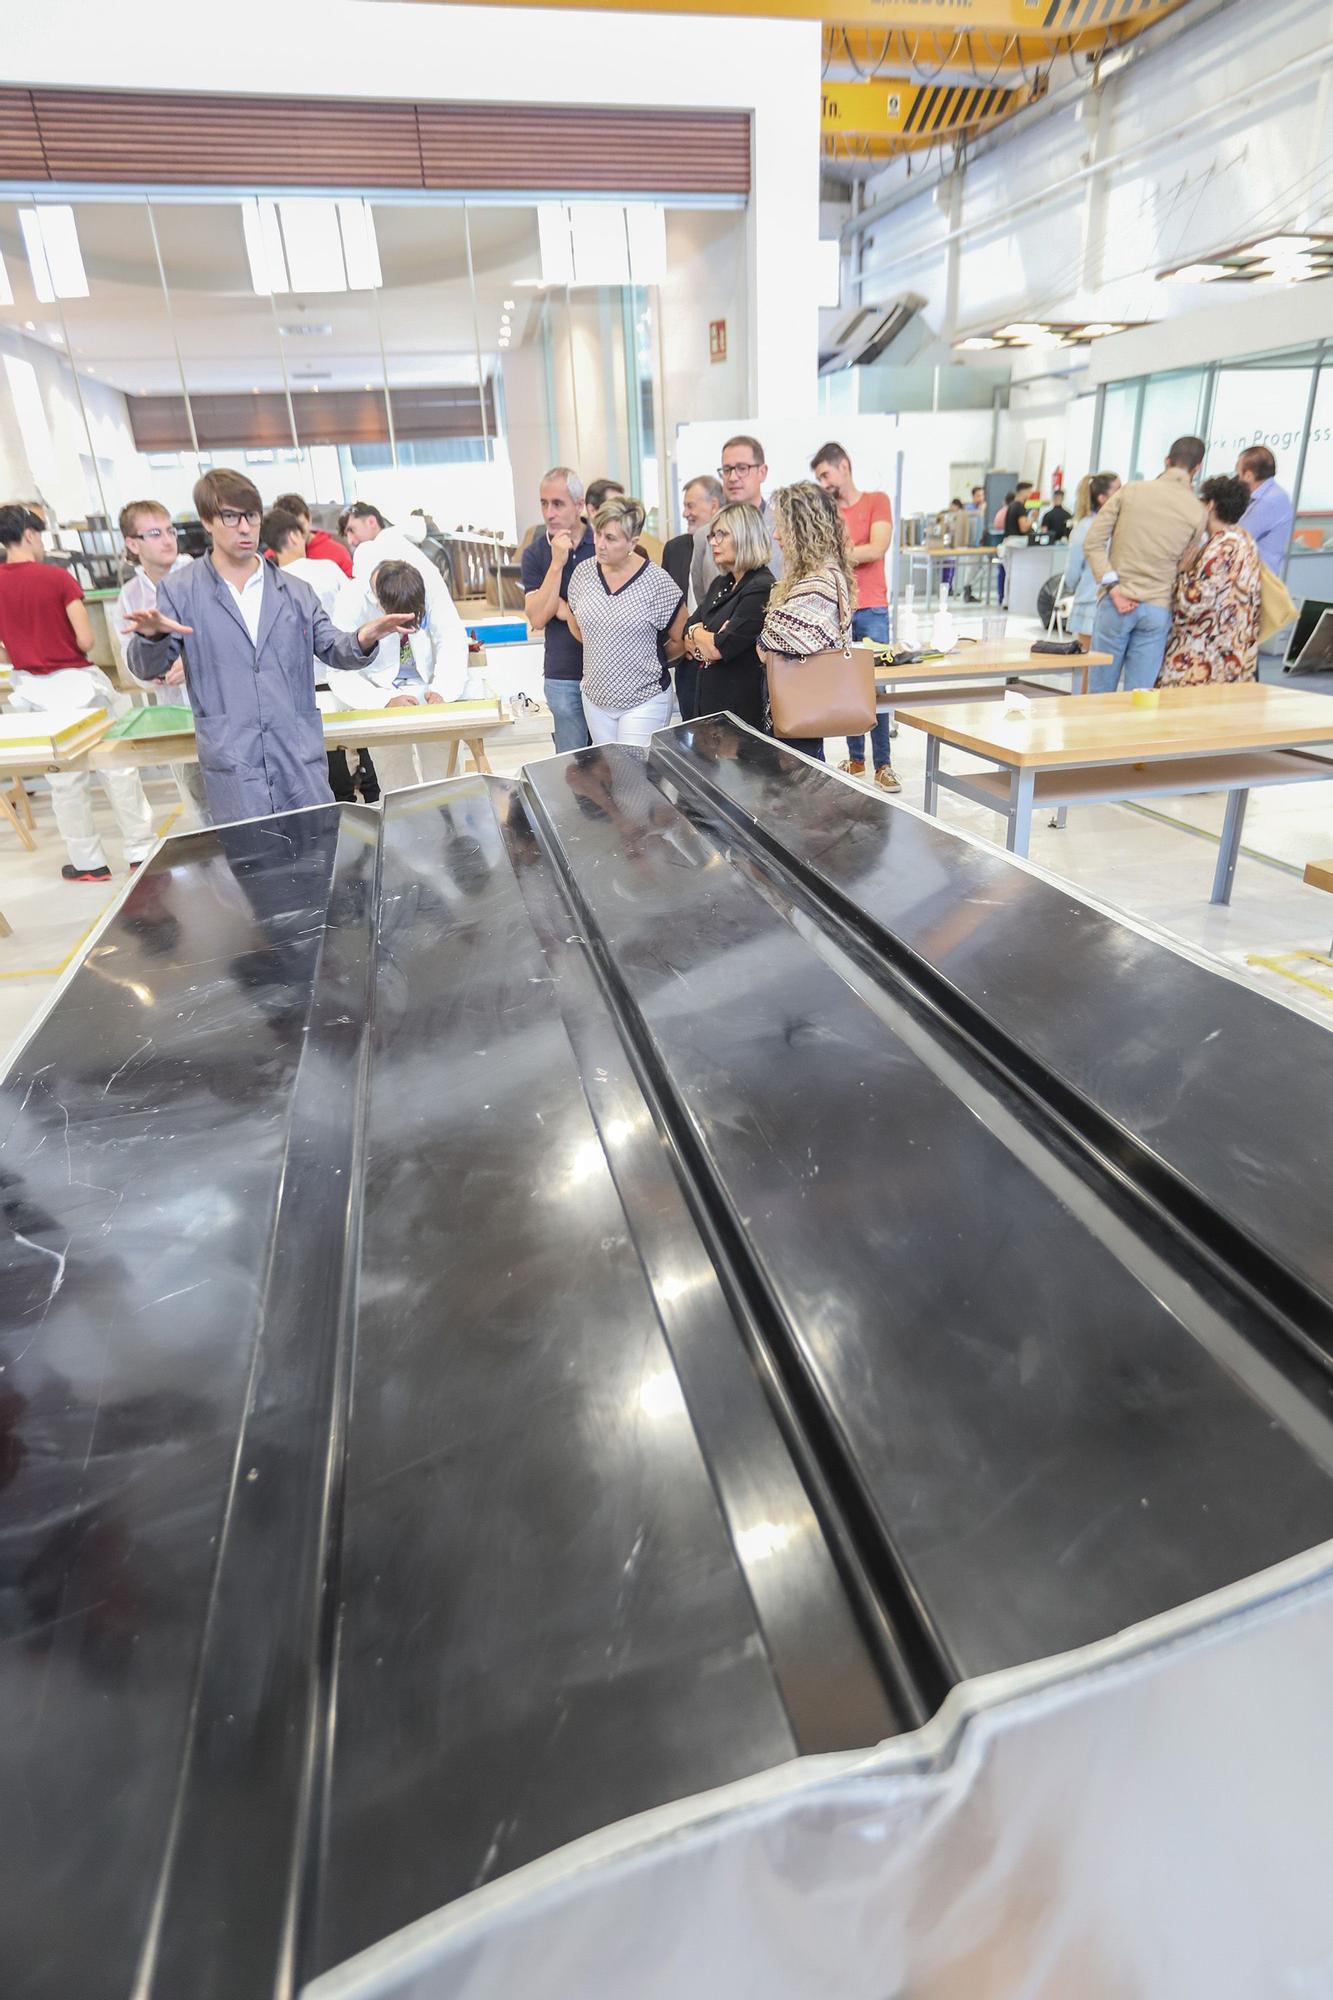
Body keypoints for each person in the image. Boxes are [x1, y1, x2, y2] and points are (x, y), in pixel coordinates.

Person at [125, 468, 413, 824]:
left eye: (252, 516)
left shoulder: (295, 591)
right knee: (249, 864)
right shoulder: (181, 591)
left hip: (297, 757)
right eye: (231, 516)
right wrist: (151, 638)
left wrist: (363, 637)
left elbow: (332, 646)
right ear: (207, 521)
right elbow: (148, 668)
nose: (245, 527)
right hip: (234, 761)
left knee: (317, 857)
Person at [0, 503, 155, 883]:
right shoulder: (57, 579)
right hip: (80, 685)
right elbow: (86, 639)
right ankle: (140, 850)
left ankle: (87, 862)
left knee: (63, 780)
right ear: (32, 535)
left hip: (32, 694)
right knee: (117, 767)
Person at [263, 506, 379, 804]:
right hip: (346, 678)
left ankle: (345, 822)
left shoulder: (269, 584)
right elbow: (355, 610)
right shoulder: (326, 569)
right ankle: (376, 805)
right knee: (368, 752)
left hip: (305, 691)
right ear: (293, 536)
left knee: (332, 767)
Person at [1085, 436, 1206, 692]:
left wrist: (1113, 588)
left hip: (1116, 601)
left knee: (1097, 697)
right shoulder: (1197, 511)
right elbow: (1186, 563)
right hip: (1157, 608)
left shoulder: (1131, 491)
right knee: (1140, 699)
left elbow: (1093, 542)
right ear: (1197, 468)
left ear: (1167, 461)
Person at [810, 440, 898, 792]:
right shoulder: (827, 511)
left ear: (843, 465)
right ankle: (856, 759)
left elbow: (878, 547)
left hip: (873, 605)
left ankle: (884, 764)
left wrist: (839, 553)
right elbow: (821, 554)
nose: (824, 483)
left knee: (876, 688)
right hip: (837, 607)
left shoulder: (878, 501)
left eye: (826, 474)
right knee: (848, 688)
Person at [565, 496, 688, 746]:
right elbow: (575, 623)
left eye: (610, 538)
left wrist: (644, 660)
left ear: (633, 542)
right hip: (596, 698)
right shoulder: (583, 574)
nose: (600, 544)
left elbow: (681, 639)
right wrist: (605, 647)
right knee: (613, 775)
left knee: (634, 777)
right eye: (598, 534)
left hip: (644, 698)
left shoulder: (657, 582)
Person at [115, 498, 208, 819]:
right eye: (155, 533)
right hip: (175, 714)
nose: (168, 540)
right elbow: (133, 662)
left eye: (170, 531)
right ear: (132, 543)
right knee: (198, 799)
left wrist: (194, 661)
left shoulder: (202, 576)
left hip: (222, 709)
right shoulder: (130, 596)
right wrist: (151, 670)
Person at [757, 482, 855, 765]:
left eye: (783, 528)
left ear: (802, 530)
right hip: (796, 712)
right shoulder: (818, 577)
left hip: (799, 715)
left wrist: (766, 638)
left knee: (799, 793)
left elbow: (768, 645)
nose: (776, 536)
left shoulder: (819, 584)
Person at [1158, 475, 1263, 688]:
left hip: (1204, 657)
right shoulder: (1245, 541)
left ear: (1211, 505)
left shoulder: (1220, 549)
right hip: (1234, 650)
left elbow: (1192, 604)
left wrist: (1183, 573)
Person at [680, 502, 775, 732]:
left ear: (745, 536)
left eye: (721, 534)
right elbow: (688, 630)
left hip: (740, 716)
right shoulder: (722, 583)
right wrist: (699, 634)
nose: (713, 542)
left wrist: (705, 640)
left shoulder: (761, 587)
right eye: (712, 535)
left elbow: (718, 649)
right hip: (710, 710)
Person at [521, 465, 594, 754]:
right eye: (543, 503)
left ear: (579, 504)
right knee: (572, 769)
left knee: (613, 767)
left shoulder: (603, 544)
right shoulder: (536, 554)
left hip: (606, 673)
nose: (549, 513)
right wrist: (557, 562)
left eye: (557, 504)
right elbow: (538, 616)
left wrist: (565, 610)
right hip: (562, 675)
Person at [691, 434, 783, 605]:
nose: (733, 477)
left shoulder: (783, 531)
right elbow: (702, 598)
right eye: (727, 470)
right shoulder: (704, 536)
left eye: (742, 468)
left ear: (762, 472)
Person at [1059, 472, 1121, 652]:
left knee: (1101, 663)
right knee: (1087, 665)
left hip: (1113, 601)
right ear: (1102, 498)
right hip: (1090, 601)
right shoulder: (1086, 526)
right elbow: (1073, 570)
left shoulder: (1118, 524)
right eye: (1117, 490)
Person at [343, 501, 448, 604]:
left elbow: (362, 601)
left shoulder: (372, 549)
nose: (350, 541)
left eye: (351, 530)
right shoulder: (398, 542)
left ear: (371, 522)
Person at [1234, 447, 1293, 575]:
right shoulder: (1268, 495)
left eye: (1238, 473)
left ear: (1249, 475)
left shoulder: (1270, 501)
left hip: (1257, 580)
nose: (1236, 478)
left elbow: (1237, 537)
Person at [273, 492, 353, 577]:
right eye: (289, 529)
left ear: (309, 519)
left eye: (300, 526)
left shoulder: (338, 552)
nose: (296, 534)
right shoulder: (269, 559)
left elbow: (353, 585)